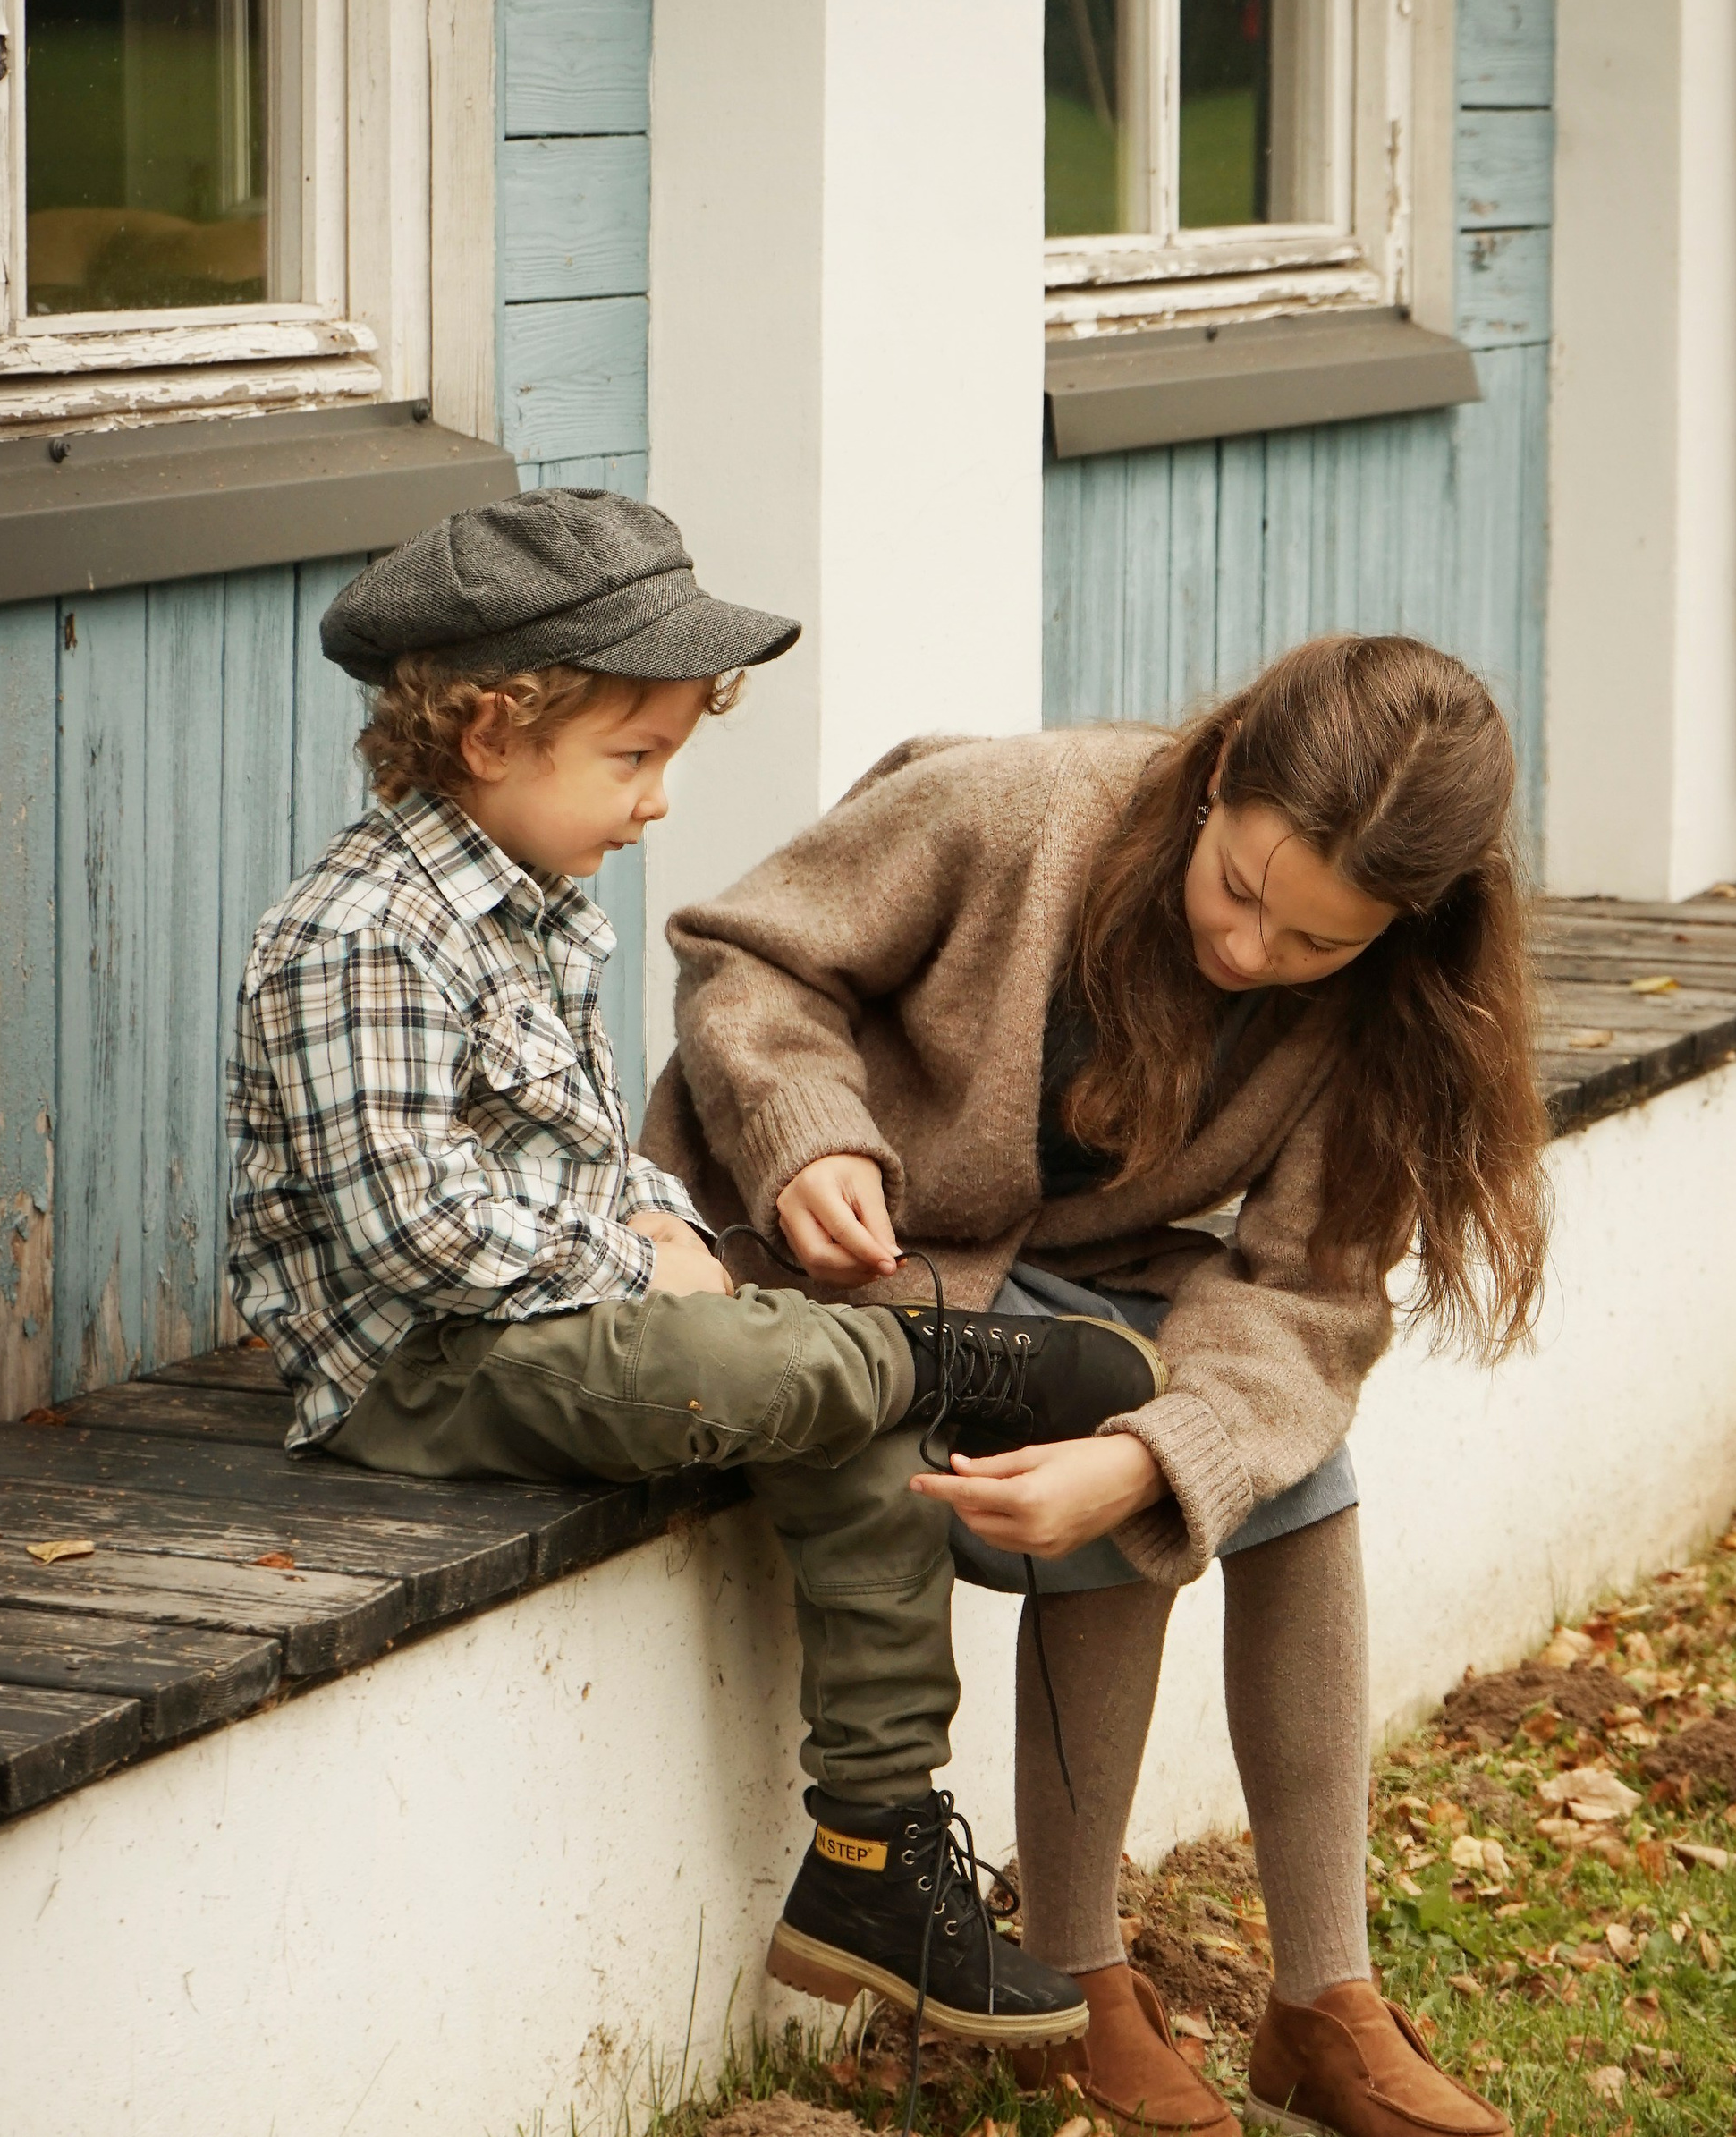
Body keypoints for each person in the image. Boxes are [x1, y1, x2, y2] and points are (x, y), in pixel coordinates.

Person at [224, 488, 1170, 2072]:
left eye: (669, 757)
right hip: (422, 1371)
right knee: (807, 1372)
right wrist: (637, 1257)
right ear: (488, 732)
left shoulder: (534, 914)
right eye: (632, 757)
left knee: (845, 1423)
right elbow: (411, 1234)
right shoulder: (362, 934)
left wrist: (660, 1230)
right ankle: (954, 1364)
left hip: (566, 1322)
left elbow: (591, 1149)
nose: (659, 800)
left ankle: (870, 1851)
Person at [642, 633, 1550, 2137]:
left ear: (1405, 930)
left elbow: (1307, 1294)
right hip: (834, 1263)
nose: (1254, 953)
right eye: (1243, 890)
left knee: (1226, 1436)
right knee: (1122, 1385)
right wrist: (807, 1125)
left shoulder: (1387, 1013)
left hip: (1036, 1287)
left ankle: (1325, 1998)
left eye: (1317, 942)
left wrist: (1153, 1458)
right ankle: (1077, 1972)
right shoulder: (1013, 812)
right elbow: (753, 949)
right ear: (1215, 783)